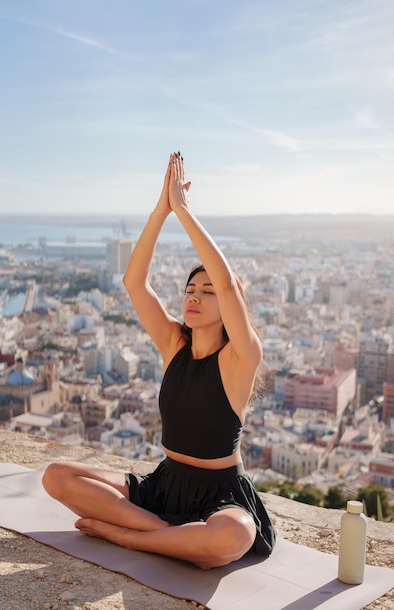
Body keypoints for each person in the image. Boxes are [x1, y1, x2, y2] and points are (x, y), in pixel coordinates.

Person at [42, 152, 276, 569]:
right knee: (57, 476)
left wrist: (183, 211)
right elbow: (134, 282)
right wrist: (160, 210)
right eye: (190, 288)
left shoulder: (242, 357)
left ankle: (129, 536)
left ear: (227, 304)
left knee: (235, 533)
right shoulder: (174, 344)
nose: (193, 295)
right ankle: (165, 535)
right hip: (163, 484)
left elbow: (226, 282)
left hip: (219, 495)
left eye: (207, 292)